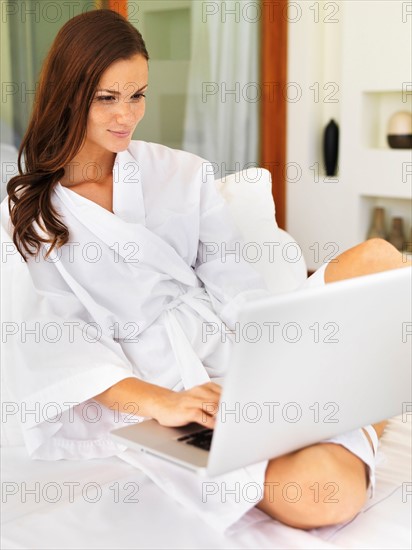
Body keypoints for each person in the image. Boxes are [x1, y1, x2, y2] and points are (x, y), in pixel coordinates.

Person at [2, 9, 409, 533]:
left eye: (138, 95)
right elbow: (58, 345)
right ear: (68, 93)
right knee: (322, 495)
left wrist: (276, 363)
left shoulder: (182, 172)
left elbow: (237, 287)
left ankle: (332, 400)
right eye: (107, 98)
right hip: (157, 388)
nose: (126, 115)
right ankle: (373, 413)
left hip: (238, 346)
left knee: (380, 258)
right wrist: (167, 403)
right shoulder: (29, 216)